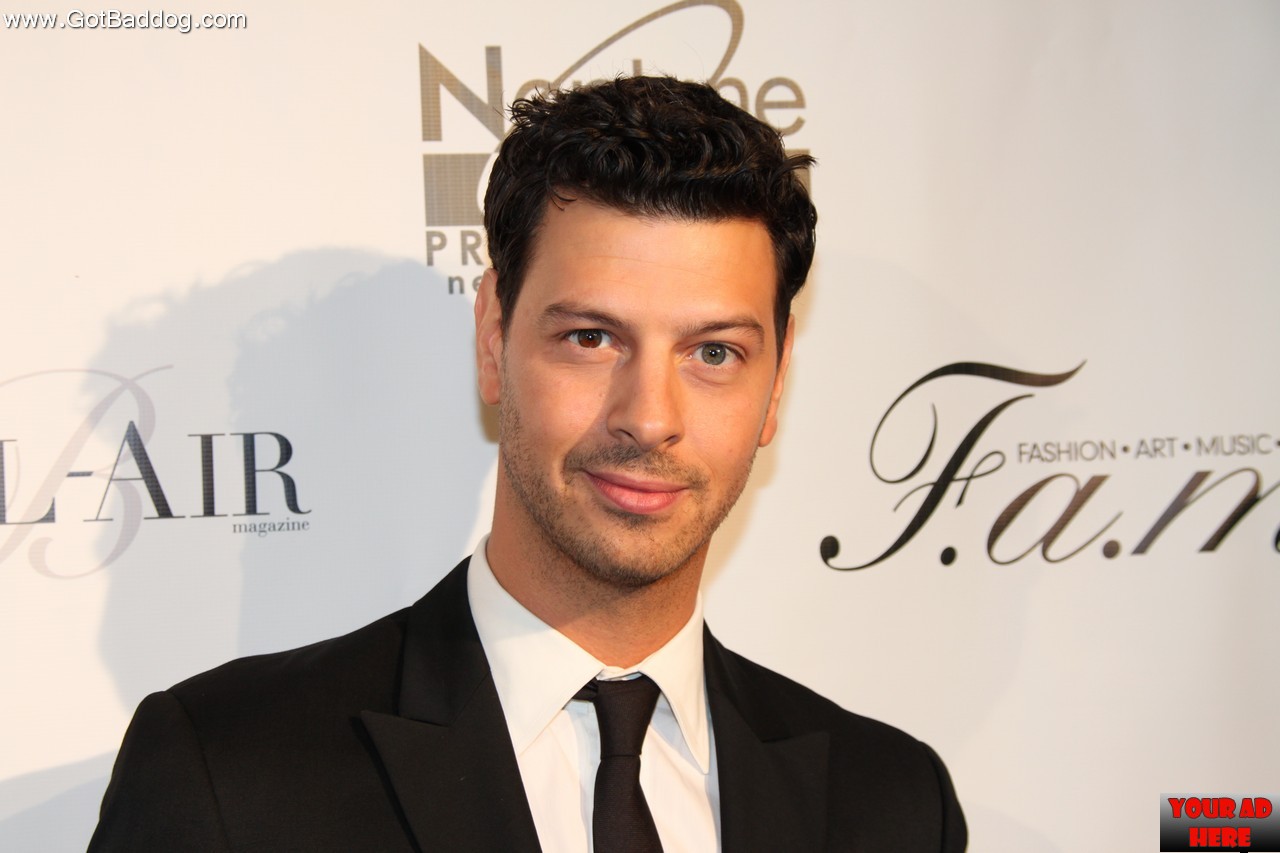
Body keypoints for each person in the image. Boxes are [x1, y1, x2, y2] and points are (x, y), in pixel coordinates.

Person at [90, 76, 966, 852]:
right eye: (591, 338)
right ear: (492, 338)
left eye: (714, 353)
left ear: (775, 385)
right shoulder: (229, 772)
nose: (649, 417)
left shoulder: (892, 804)